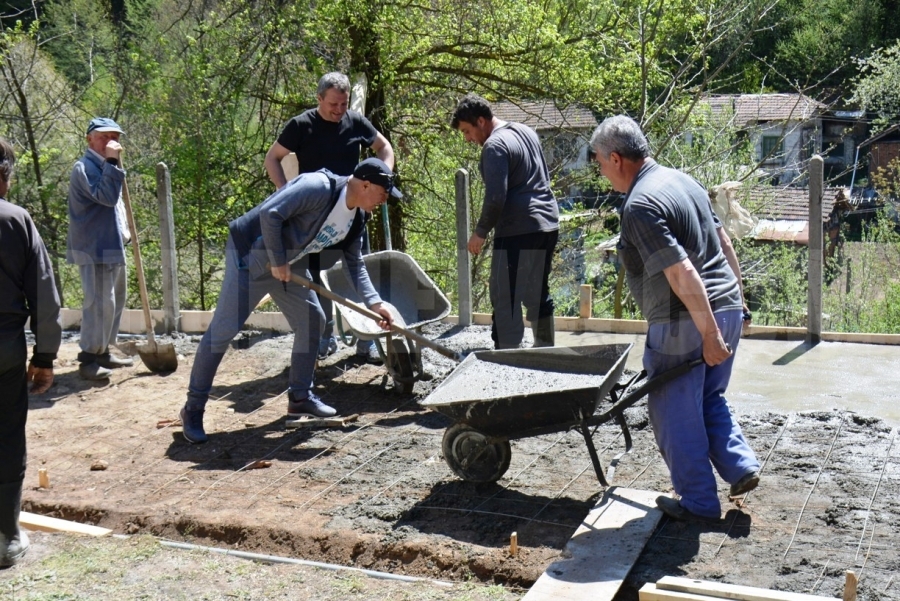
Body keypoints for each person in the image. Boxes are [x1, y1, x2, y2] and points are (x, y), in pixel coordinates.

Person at [588, 115, 760, 521]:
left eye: (598, 161)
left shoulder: (641, 204)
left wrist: (710, 333)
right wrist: (739, 301)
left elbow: (682, 274)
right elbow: (723, 241)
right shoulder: (682, 181)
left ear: (616, 158)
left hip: (684, 322)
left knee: (672, 410)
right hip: (727, 305)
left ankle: (698, 503)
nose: (598, 169)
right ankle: (740, 466)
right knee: (707, 397)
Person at [179, 158, 402, 444]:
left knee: (312, 320)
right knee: (223, 330)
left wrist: (375, 304)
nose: (383, 202)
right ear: (366, 184)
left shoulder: (356, 217)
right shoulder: (318, 187)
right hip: (251, 257)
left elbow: (354, 263)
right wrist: (277, 259)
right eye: (383, 195)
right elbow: (271, 213)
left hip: (288, 261)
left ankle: (300, 397)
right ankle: (193, 409)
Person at [264, 72, 395, 364]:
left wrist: (381, 179)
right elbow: (272, 158)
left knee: (357, 269)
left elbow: (384, 147)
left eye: (344, 104)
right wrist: (285, 194)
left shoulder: (355, 123)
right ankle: (325, 338)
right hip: (314, 218)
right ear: (319, 98)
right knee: (317, 276)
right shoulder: (301, 125)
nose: (338, 110)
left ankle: (366, 341)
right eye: (333, 104)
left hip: (352, 211)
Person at [450, 93, 559, 349]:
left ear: (481, 121)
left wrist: (480, 231)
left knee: (505, 297)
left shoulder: (494, 146)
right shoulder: (525, 131)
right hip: (547, 224)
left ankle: (506, 360)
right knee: (538, 294)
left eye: (467, 131)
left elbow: (496, 196)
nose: (467, 139)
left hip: (518, 229)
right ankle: (546, 352)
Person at [0, 138, 61, 566]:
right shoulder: (15, 220)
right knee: (6, 439)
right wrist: (44, 356)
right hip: (4, 347)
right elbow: (44, 294)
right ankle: (5, 536)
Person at [66, 117, 134, 381]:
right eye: (104, 136)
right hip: (94, 247)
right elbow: (106, 197)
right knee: (97, 304)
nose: (111, 141)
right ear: (90, 139)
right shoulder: (84, 168)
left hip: (114, 244)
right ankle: (88, 359)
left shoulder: (106, 166)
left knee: (114, 302)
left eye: (114, 136)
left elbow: (116, 206)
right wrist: (114, 164)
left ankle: (103, 351)